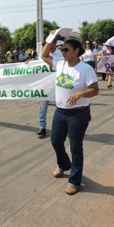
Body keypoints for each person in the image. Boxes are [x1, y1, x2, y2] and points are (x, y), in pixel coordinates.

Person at [41, 36, 99, 195]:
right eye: (61, 49)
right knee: (55, 141)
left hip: (78, 115)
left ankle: (74, 180)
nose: (63, 52)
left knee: (75, 147)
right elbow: (44, 56)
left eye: (66, 49)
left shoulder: (85, 69)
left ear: (76, 51)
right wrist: (50, 39)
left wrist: (80, 94)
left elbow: (95, 89)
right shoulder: (60, 64)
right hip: (60, 111)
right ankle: (64, 164)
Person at [37, 41, 64, 138]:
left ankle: (60, 128)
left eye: (49, 43)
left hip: (58, 85)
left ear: (54, 44)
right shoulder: (41, 54)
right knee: (43, 106)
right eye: (45, 44)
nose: (46, 46)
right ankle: (42, 127)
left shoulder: (60, 54)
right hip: (45, 86)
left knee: (60, 107)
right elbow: (36, 66)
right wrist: (28, 63)